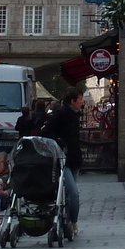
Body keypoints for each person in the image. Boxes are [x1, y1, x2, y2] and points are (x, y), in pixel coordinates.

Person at [42, 88, 84, 236]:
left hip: (74, 159)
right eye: (80, 99)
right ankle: (73, 222)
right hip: (63, 159)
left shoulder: (75, 114)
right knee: (73, 194)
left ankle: (66, 222)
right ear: (72, 101)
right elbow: (46, 131)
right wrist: (57, 145)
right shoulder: (61, 113)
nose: (82, 101)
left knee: (68, 194)